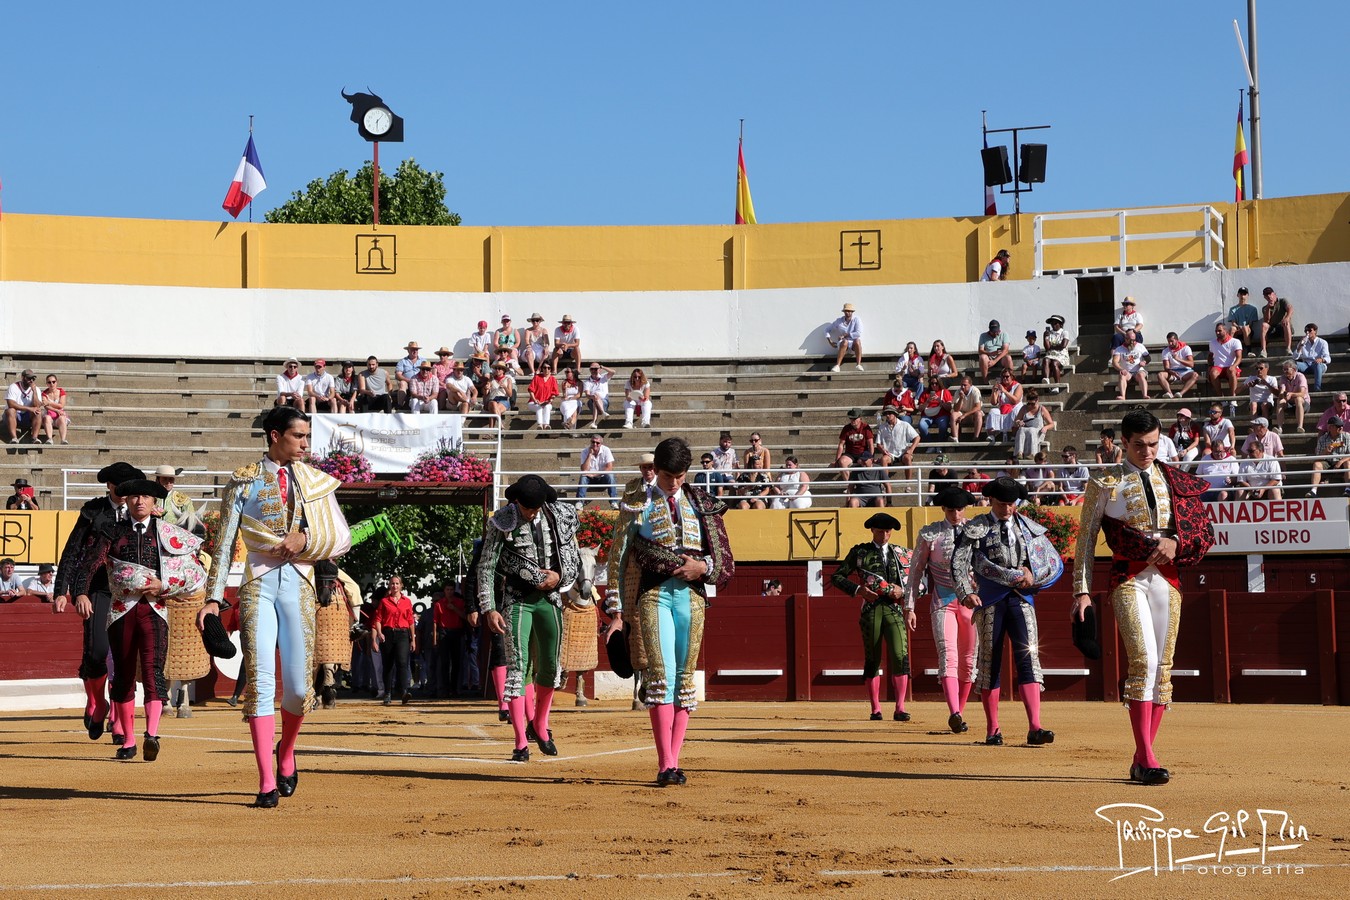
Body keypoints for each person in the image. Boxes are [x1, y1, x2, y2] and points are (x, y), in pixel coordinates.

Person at [198, 406, 352, 808]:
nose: (306, 443)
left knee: (299, 690)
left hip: (299, 583)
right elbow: (224, 544)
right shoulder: (243, 481)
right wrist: (213, 598)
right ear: (274, 436)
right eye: (299, 436)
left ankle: (286, 750)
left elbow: (341, 537)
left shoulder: (315, 481)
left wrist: (306, 540)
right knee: (262, 682)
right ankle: (266, 781)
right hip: (257, 584)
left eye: (307, 436)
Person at [1072, 409, 1216, 785]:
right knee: (1145, 661)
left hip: (1168, 579)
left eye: (1153, 444)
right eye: (1139, 445)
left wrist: (1176, 542)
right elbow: (1086, 540)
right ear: (1123, 442)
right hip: (1128, 577)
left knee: (1162, 667)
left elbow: (1200, 528)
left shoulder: (1173, 477)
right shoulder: (1104, 480)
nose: (1148, 452)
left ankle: (1142, 758)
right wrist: (1082, 591)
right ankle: (1147, 757)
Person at [606, 437, 734, 786]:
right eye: (667, 476)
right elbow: (618, 557)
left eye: (680, 476)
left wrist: (702, 567)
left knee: (684, 680)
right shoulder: (637, 503)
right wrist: (616, 611)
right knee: (661, 676)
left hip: (692, 598)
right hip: (654, 595)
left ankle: (674, 761)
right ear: (655, 471)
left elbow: (725, 561)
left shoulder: (702, 503)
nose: (674, 482)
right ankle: (665, 764)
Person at [69, 477, 206, 762]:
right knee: (123, 674)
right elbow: (89, 564)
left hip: (155, 609)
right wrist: (80, 592)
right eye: (133, 496)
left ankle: (151, 734)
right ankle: (129, 741)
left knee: (154, 671)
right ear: (127, 500)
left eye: (145, 497)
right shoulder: (112, 531)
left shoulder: (167, 533)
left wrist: (164, 584)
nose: (139, 501)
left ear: (154, 502)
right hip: (121, 611)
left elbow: (194, 570)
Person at [953, 476, 1065, 747]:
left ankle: (1035, 726)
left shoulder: (1027, 527)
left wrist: (1034, 575)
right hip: (990, 599)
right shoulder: (976, 527)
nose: (1007, 509)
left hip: (1021, 599)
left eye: (1011, 504)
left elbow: (1050, 560)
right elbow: (959, 561)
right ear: (991, 500)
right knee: (989, 662)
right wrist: (966, 592)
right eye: (1002, 504)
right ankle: (993, 729)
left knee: (1029, 657)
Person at [478, 474, 581, 762]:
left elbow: (572, 557)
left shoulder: (558, 516)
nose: (531, 513)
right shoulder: (502, 520)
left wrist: (560, 577)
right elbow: (486, 566)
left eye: (535, 508)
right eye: (526, 508)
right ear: (516, 501)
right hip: (517, 600)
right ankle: (521, 742)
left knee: (550, 666)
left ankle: (540, 724)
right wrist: (489, 608)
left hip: (550, 599)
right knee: (518, 668)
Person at [51, 461, 143, 745]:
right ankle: (97, 702)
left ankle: (119, 720)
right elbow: (72, 552)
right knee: (97, 652)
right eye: (120, 485)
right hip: (97, 589)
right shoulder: (93, 511)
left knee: (123, 656)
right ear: (109, 485)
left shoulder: (140, 513)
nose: (126, 491)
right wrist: (62, 590)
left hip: (129, 591)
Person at [831, 512, 915, 721]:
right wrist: (859, 590)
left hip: (894, 608)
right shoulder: (860, 552)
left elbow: (917, 580)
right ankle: (875, 708)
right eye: (880, 531)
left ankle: (900, 707)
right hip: (871, 609)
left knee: (900, 655)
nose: (884, 535)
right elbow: (837, 576)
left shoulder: (901, 554)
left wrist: (903, 592)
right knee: (873, 658)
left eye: (887, 531)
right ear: (872, 530)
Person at [908, 487, 979, 732]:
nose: (956, 515)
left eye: (959, 510)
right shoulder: (931, 534)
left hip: (971, 602)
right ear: (943, 509)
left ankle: (960, 714)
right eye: (951, 510)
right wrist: (910, 606)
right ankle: (954, 712)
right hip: (943, 601)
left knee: (968, 660)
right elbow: (916, 571)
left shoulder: (976, 532)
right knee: (948, 655)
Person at [372, 575, 416, 705]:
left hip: (403, 634)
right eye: (392, 583)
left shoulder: (407, 601)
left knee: (402, 662)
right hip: (388, 633)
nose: (394, 586)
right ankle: (387, 693)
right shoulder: (384, 601)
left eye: (397, 583)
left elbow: (410, 621)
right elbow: (378, 619)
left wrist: (413, 639)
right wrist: (379, 633)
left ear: (401, 586)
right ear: (389, 586)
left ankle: (403, 691)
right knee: (388, 664)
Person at [875, 406, 920, 486]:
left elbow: (917, 437)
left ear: (895, 414)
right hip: (890, 454)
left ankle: (908, 484)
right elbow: (878, 444)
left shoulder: (905, 424)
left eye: (890, 413)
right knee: (884, 459)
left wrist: (911, 449)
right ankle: (886, 485)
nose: (887, 415)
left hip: (903, 453)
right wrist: (883, 450)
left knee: (908, 458)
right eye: (886, 414)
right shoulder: (882, 427)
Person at [154, 465, 203, 535]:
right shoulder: (151, 498)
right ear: (158, 480)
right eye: (164, 479)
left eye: (171, 479)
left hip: (175, 536)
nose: (168, 482)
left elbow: (191, 522)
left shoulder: (183, 499)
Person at [1309, 417, 1349, 496]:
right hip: (1327, 462)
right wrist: (1325, 452)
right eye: (1338, 426)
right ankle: (1313, 490)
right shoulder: (1322, 439)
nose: (1341, 428)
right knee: (1317, 464)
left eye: (1341, 426)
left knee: (1348, 463)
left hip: (1342, 462)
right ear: (1330, 427)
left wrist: (1341, 461)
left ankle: (1348, 489)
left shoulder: (1346, 436)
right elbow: (1317, 458)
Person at [835, 408, 875, 482]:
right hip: (850, 453)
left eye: (854, 418)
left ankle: (868, 484)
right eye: (851, 418)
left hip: (863, 453)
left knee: (866, 462)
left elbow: (871, 444)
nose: (852, 420)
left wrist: (871, 457)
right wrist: (837, 459)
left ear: (860, 418)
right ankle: (849, 485)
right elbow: (841, 444)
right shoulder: (846, 428)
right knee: (842, 462)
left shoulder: (865, 427)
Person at [1013, 389, 1055, 460]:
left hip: (1037, 431)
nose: (1030, 406)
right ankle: (1019, 453)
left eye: (1032, 404)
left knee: (1031, 430)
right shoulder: (1024, 408)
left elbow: (1052, 424)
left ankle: (1032, 453)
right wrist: (1018, 422)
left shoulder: (1042, 409)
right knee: (1021, 430)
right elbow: (1016, 421)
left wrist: (1046, 427)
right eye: (1029, 403)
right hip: (1026, 430)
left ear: (1037, 400)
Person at [984, 371, 1023, 443]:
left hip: (1015, 407)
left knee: (1016, 411)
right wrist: (993, 391)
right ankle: (992, 435)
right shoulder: (1000, 386)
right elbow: (994, 403)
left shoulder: (1018, 386)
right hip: (1003, 408)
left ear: (1012, 377)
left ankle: (1014, 435)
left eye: (1007, 376)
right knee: (993, 411)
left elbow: (1015, 400)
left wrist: (1004, 391)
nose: (1005, 378)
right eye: (1003, 377)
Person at [5, 368, 43, 443]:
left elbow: (37, 405)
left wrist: (34, 392)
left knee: (38, 412)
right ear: (22, 377)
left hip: (28, 416)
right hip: (15, 415)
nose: (31, 380)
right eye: (29, 378)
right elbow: (11, 404)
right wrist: (29, 408)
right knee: (11, 410)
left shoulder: (36, 389)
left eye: (33, 378)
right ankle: (14, 438)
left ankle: (34, 438)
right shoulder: (13, 387)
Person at [737, 432, 773, 510]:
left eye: (756, 440)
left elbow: (767, 468)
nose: (753, 442)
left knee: (768, 486)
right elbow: (747, 467)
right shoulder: (747, 452)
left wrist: (761, 476)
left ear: (760, 440)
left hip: (762, 474)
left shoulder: (765, 451)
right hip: (750, 475)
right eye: (751, 441)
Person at [1111, 330, 1150, 400]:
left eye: (1134, 340)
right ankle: (1123, 396)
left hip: (1138, 371)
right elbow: (1115, 362)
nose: (1133, 342)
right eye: (1130, 340)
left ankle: (1145, 395)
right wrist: (1121, 369)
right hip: (1127, 372)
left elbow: (1148, 358)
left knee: (1141, 375)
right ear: (1126, 339)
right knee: (1122, 375)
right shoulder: (1119, 349)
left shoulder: (1140, 346)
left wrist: (1144, 362)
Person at [1157, 332, 1199, 399]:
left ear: (1177, 340)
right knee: (1160, 375)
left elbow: (1191, 364)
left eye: (1172, 341)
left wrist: (1178, 359)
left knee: (1195, 375)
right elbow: (1166, 367)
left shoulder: (1186, 348)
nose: (1170, 343)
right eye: (1168, 342)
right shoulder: (1165, 351)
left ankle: (1180, 393)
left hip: (1186, 372)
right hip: (1173, 372)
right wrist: (1171, 372)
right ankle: (1169, 393)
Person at [825, 302, 864, 372]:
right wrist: (830, 341)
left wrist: (845, 335)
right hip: (843, 344)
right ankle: (837, 366)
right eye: (846, 311)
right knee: (845, 341)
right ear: (844, 312)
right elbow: (827, 329)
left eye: (849, 311)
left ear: (852, 312)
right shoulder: (839, 321)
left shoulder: (856, 319)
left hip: (853, 345)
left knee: (857, 340)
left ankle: (858, 365)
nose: (847, 313)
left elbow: (858, 333)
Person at [578, 433, 616, 503]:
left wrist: (594, 474)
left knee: (611, 476)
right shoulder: (585, 452)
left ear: (601, 444)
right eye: (593, 442)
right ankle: (580, 502)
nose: (595, 444)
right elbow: (584, 470)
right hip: (589, 479)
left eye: (597, 443)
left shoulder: (606, 450)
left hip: (602, 477)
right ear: (590, 442)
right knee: (583, 477)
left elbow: (609, 468)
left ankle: (614, 502)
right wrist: (589, 455)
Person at [1207, 323, 1244, 397]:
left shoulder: (1235, 341)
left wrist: (1234, 366)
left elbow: (1239, 357)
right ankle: (1220, 396)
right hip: (1218, 367)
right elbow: (1210, 355)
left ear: (1225, 330)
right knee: (1213, 372)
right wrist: (1210, 365)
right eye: (1216, 331)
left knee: (1231, 371)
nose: (1217, 333)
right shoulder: (1212, 343)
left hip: (1231, 366)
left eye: (1219, 331)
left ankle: (1233, 397)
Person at [1275, 360, 1310, 433]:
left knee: (1298, 399)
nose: (1285, 371)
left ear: (1293, 369)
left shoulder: (1300, 376)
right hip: (1290, 404)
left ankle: (1300, 426)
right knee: (1280, 401)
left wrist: (1291, 394)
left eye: (1286, 369)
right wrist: (1282, 394)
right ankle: (1279, 428)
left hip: (1303, 404)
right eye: (1284, 369)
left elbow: (1302, 393)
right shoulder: (1283, 378)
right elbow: (1282, 390)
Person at [1293, 324, 1331, 392]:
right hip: (1306, 365)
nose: (1307, 332)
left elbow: (1328, 358)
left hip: (1319, 365)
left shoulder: (1322, 342)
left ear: (1315, 331)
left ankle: (1317, 389)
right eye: (1306, 331)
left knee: (1317, 365)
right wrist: (1300, 346)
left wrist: (1321, 359)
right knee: (1293, 365)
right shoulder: (1303, 342)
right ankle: (1295, 389)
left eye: (1310, 330)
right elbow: (1295, 357)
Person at [1258, 287, 1293, 357]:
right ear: (1265, 297)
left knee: (1286, 323)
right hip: (1272, 330)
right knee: (1264, 325)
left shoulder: (1282, 301)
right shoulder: (1265, 308)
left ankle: (1288, 349)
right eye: (1266, 295)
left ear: (1274, 294)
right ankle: (1264, 351)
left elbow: (1290, 308)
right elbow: (1267, 321)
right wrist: (1268, 308)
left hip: (1283, 327)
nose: (1269, 296)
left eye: (1270, 294)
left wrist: (1287, 317)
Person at [916, 376, 952, 443]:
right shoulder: (925, 393)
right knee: (921, 425)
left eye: (936, 383)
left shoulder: (945, 392)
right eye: (932, 383)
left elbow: (949, 408)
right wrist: (927, 402)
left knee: (943, 425)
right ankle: (929, 442)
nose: (934, 385)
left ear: (939, 383)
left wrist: (940, 401)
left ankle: (940, 443)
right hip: (927, 415)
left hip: (942, 415)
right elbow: (920, 409)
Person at [949, 375, 984, 443]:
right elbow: (956, 409)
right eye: (961, 385)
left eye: (965, 385)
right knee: (953, 415)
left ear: (970, 385)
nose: (962, 387)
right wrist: (961, 398)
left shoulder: (975, 391)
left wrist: (964, 415)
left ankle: (976, 437)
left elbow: (978, 407)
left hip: (972, 414)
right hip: (961, 414)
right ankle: (955, 439)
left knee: (979, 413)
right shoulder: (958, 392)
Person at [39, 373, 70, 444]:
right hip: (49, 414)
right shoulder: (44, 393)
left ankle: (63, 440)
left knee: (62, 418)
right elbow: (46, 406)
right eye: (49, 382)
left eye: (53, 382)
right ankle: (50, 439)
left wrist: (49, 402)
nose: (52, 384)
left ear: (56, 382)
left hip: (59, 415)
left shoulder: (61, 391)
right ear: (46, 383)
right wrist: (56, 409)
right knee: (47, 417)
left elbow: (61, 405)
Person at [1042, 315, 1070, 393]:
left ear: (1060, 324)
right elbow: (1047, 347)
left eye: (1055, 323)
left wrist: (1052, 346)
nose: (1053, 324)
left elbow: (1063, 345)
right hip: (1050, 355)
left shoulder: (1064, 332)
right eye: (1052, 323)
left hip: (1061, 355)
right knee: (1045, 360)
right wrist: (1045, 337)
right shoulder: (1049, 333)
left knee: (1054, 362)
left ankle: (1057, 385)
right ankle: (1046, 380)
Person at [527, 362, 560, 430]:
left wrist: (550, 400)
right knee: (539, 407)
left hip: (546, 402)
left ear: (551, 369)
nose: (546, 369)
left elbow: (554, 393)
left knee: (547, 407)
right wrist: (534, 400)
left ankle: (546, 425)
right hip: (534, 402)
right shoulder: (537, 377)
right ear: (542, 369)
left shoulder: (553, 379)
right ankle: (540, 425)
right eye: (544, 368)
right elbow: (531, 390)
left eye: (548, 368)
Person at [583, 362, 616, 428]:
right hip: (591, 402)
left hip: (604, 402)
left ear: (599, 369)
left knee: (595, 400)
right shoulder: (587, 382)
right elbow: (587, 395)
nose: (593, 370)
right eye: (592, 369)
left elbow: (613, 372)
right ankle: (603, 413)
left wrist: (603, 367)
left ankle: (594, 422)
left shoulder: (604, 377)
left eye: (595, 369)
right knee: (595, 398)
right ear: (590, 370)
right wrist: (592, 396)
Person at [393, 341, 423, 410]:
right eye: (412, 349)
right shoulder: (402, 361)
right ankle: (400, 405)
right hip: (407, 382)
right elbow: (398, 375)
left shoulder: (423, 361)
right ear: (408, 350)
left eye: (416, 349)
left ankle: (422, 404)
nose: (415, 351)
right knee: (402, 383)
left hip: (419, 382)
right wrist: (409, 381)